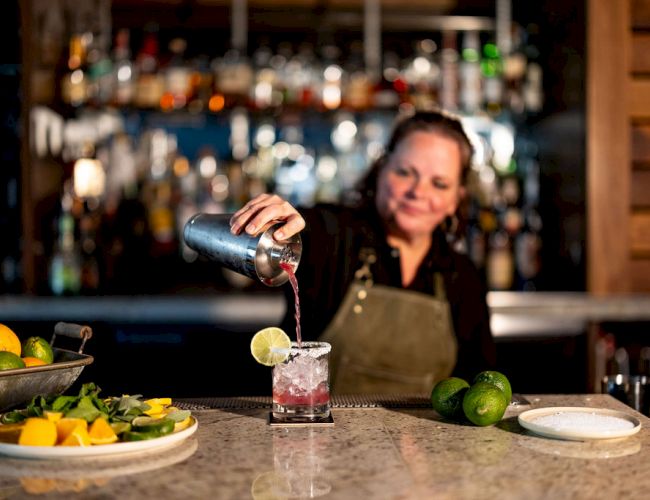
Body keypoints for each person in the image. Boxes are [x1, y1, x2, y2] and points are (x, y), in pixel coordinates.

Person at [230, 110, 496, 394]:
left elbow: (483, 384)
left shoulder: (462, 277)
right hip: (318, 434)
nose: (418, 192)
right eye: (405, 172)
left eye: (439, 183)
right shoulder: (336, 237)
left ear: (456, 200)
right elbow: (306, 230)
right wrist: (277, 222)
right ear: (381, 170)